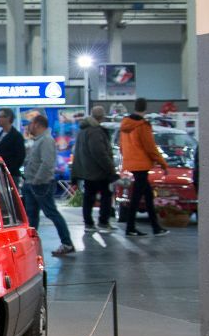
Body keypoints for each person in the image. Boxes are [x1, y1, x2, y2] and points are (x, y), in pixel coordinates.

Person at [22, 112, 76, 257]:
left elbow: (47, 163)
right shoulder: (39, 140)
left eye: (30, 124)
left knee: (51, 213)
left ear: (37, 125)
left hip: (41, 185)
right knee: (32, 216)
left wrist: (36, 180)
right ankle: (31, 245)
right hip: (33, 183)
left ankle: (67, 243)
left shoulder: (46, 140)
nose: (28, 128)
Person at [119, 97, 169, 237]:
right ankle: (131, 228)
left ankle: (155, 227)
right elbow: (150, 148)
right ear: (145, 108)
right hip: (142, 164)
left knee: (147, 195)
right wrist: (163, 164)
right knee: (136, 197)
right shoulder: (142, 125)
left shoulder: (125, 124)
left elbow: (122, 146)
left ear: (134, 107)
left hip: (131, 163)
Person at [72, 105, 118, 231]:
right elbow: (100, 153)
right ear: (101, 117)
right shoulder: (95, 131)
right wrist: (110, 169)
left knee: (88, 197)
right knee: (106, 196)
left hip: (87, 171)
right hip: (98, 172)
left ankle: (88, 223)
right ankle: (103, 222)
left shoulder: (83, 130)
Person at [0, 109, 26, 181]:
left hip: (11, 175)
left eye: (0, 117)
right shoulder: (0, 135)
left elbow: (20, 156)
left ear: (8, 118)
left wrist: (9, 169)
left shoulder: (16, 136)